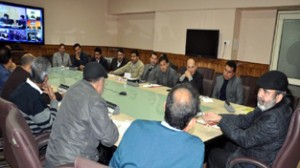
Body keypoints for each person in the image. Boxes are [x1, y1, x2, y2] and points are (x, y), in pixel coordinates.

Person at [203, 71, 293, 168]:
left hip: (253, 162)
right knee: (224, 143)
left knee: (213, 154)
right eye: (260, 90)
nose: (260, 95)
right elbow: (245, 120)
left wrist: (220, 120)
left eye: (266, 92)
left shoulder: (273, 120)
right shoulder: (270, 105)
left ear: (279, 97)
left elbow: (245, 139)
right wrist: (219, 116)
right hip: (257, 149)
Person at [110, 84, 205, 168]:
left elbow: (114, 164)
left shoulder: (137, 126)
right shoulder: (196, 147)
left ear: (164, 106)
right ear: (192, 122)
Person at [45, 62, 119, 168]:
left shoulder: (72, 89)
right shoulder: (95, 101)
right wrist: (108, 119)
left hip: (53, 157)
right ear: (101, 81)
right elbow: (110, 139)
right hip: (72, 163)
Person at [10, 57, 58, 135]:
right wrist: (53, 100)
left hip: (23, 133)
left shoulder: (21, 87)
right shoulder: (34, 99)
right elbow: (51, 126)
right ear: (45, 78)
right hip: (37, 138)